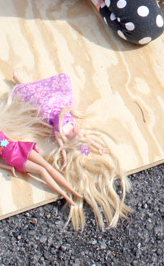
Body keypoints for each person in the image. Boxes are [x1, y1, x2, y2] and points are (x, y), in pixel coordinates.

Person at [10, 71, 132, 230]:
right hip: (60, 106)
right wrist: (99, 148)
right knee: (40, 92)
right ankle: (19, 78)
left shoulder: (61, 134)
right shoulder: (75, 129)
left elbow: (63, 144)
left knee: (33, 94)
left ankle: (19, 80)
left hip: (48, 110)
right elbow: (84, 138)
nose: (79, 135)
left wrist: (67, 156)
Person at [0, 117, 82, 206]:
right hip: (13, 157)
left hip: (19, 147)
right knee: (41, 170)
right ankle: (65, 195)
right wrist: (8, 168)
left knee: (47, 167)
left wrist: (32, 147)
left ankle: (72, 190)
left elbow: (12, 141)